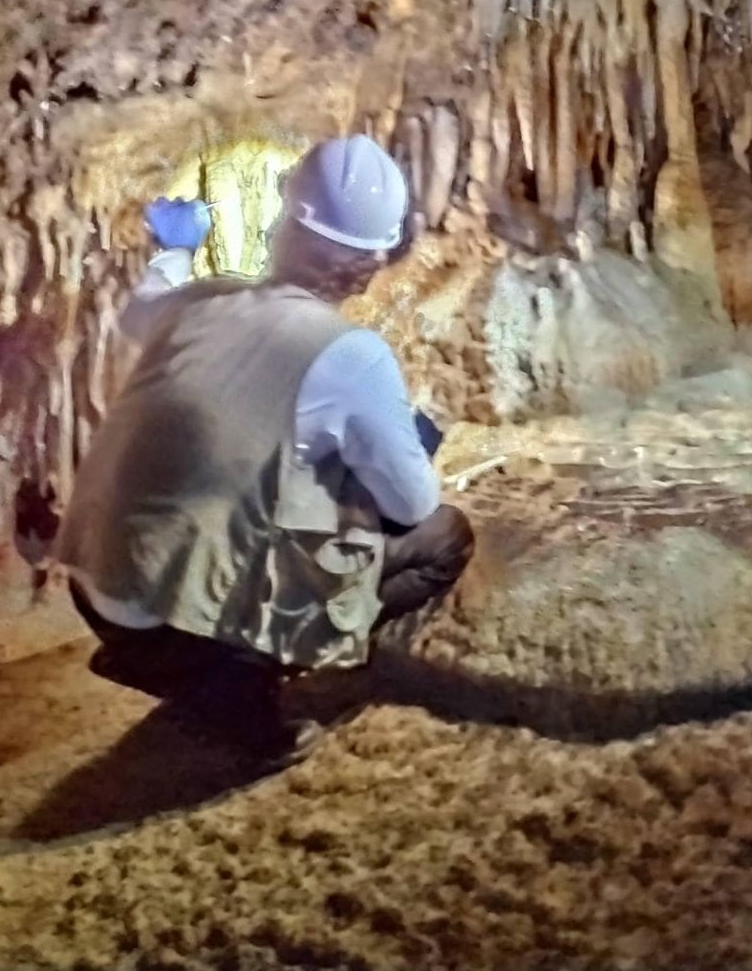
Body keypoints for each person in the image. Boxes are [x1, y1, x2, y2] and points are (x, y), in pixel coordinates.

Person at [56, 134, 474, 766]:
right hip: (177, 623)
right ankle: (239, 684)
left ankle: (173, 654)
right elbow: (413, 501)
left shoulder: (203, 298)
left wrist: (175, 251)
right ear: (372, 261)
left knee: (290, 482)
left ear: (285, 225)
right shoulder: (352, 355)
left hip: (93, 591)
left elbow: (137, 312)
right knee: (443, 537)